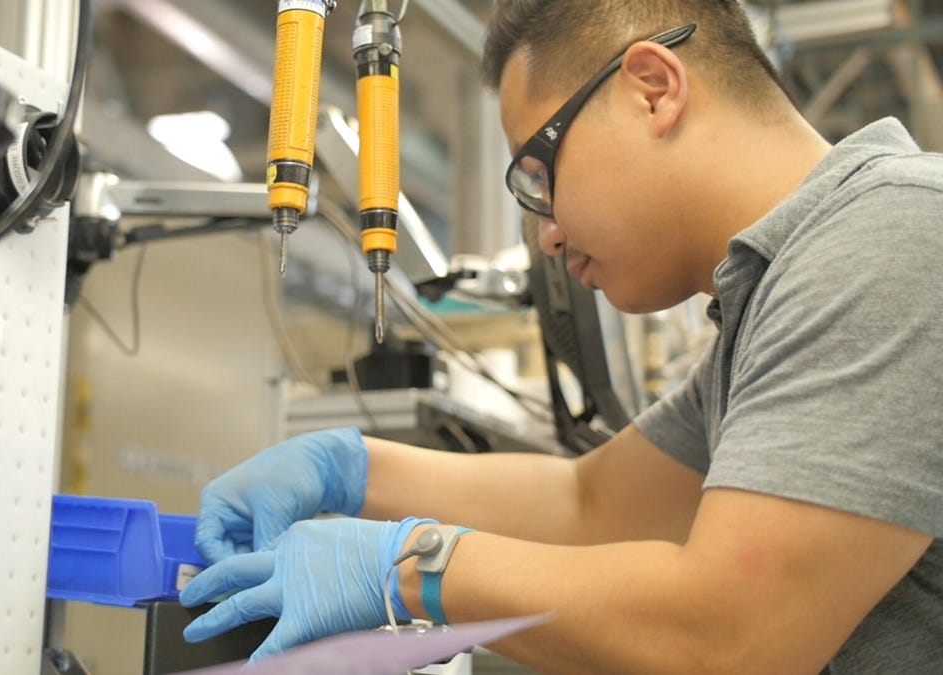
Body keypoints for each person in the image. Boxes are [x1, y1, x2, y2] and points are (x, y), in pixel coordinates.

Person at [178, 1, 943, 672]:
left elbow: (728, 639)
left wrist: (408, 568)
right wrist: (347, 467)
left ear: (653, 89)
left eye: (539, 172)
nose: (545, 233)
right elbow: (593, 501)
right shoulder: (781, 293)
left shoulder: (884, 240)